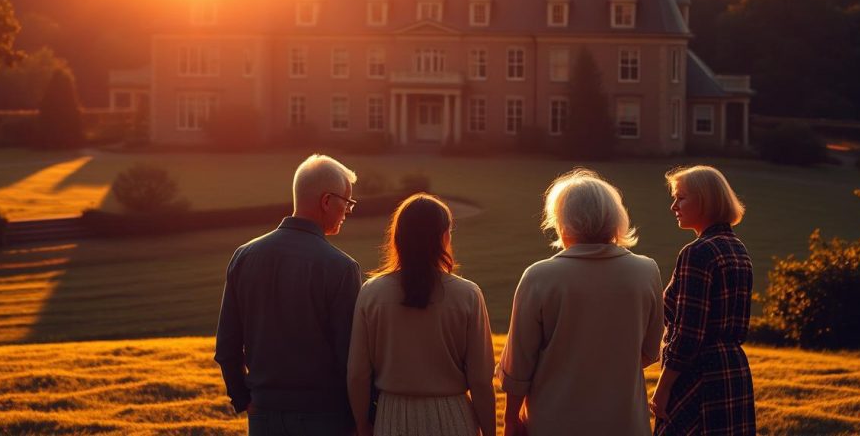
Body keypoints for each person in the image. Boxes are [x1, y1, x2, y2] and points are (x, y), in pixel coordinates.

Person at [498, 168, 664, 436]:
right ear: (615, 217)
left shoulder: (539, 276)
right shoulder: (646, 271)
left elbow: (518, 366)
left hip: (554, 422)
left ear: (562, 221)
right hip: (624, 422)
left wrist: (510, 419)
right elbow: (650, 350)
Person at [214, 154, 361, 436]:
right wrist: (360, 418)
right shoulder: (341, 268)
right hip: (325, 418)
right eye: (347, 201)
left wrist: (243, 400)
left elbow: (227, 347)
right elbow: (349, 358)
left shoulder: (244, 257)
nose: (349, 211)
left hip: (263, 417)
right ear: (327, 201)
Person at [347, 193, 496, 436]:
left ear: (398, 238)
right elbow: (480, 381)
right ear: (444, 237)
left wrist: (362, 425)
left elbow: (357, 374)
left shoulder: (372, 293)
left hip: (392, 418)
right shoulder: (468, 294)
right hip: (453, 419)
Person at [650, 165, 755, 435]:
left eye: (681, 197)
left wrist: (663, 389)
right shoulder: (738, 248)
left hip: (699, 376)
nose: (674, 206)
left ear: (705, 200)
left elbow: (688, 334)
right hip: (733, 370)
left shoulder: (697, 253)